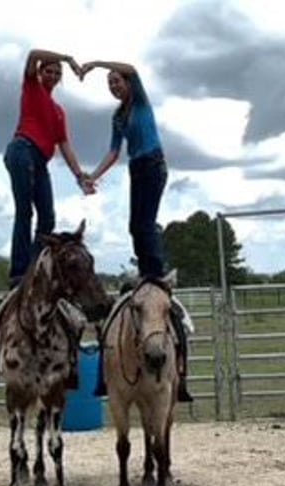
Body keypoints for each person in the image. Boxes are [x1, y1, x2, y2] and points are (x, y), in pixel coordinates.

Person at [0, 49, 94, 388]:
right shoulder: (31, 88)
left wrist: (79, 176)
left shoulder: (58, 111)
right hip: (22, 149)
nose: (54, 76)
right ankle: (20, 271)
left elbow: (66, 145)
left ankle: (38, 266)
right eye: (50, 71)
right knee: (24, 211)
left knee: (49, 218)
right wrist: (69, 57)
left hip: (40, 159)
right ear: (41, 73)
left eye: (58, 73)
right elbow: (31, 54)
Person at [80, 60, 193, 402]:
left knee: (145, 223)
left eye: (117, 81)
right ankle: (148, 272)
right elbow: (115, 151)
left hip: (154, 162)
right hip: (136, 168)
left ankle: (154, 274)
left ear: (128, 82)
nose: (114, 85)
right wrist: (93, 176)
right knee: (134, 226)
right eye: (109, 83)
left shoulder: (141, 100)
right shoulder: (118, 117)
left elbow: (130, 67)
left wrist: (98, 64)